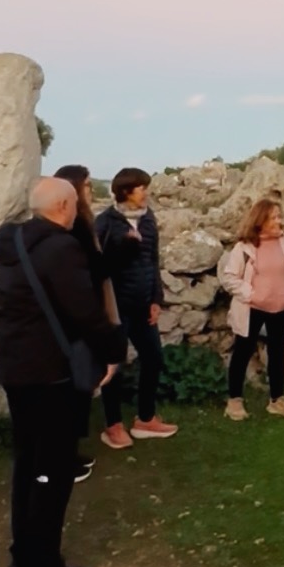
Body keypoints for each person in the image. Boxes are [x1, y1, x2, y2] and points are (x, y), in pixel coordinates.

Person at [0, 175, 126, 567]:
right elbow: (85, 312)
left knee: (30, 466)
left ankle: (23, 556)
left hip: (17, 373)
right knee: (52, 471)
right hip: (51, 377)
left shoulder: (13, 244)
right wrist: (114, 351)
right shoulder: (60, 248)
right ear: (65, 207)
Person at [95, 167, 179, 447]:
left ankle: (145, 419)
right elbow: (99, 267)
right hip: (116, 307)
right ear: (125, 191)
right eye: (142, 188)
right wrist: (123, 246)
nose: (147, 192)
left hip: (143, 305)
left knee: (154, 359)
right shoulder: (106, 222)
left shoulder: (148, 218)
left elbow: (153, 261)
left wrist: (156, 299)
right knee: (113, 368)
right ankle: (113, 425)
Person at [54, 163, 117, 480]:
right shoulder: (75, 228)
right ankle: (63, 461)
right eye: (89, 185)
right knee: (73, 391)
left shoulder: (82, 224)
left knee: (77, 390)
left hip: (80, 318)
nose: (92, 190)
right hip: (77, 322)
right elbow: (90, 272)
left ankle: (69, 454)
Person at [218, 197, 284, 421]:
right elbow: (229, 277)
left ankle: (278, 400)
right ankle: (234, 401)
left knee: (277, 353)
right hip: (253, 307)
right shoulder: (244, 247)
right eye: (273, 217)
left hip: (281, 306)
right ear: (261, 221)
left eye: (279, 216)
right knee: (242, 352)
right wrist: (251, 295)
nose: (279, 221)